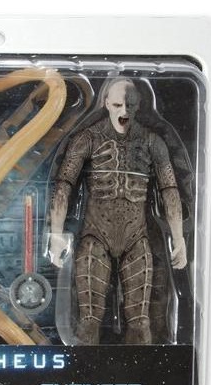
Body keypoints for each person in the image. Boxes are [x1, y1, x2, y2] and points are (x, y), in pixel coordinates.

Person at [49, 78, 187, 344]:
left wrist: (178, 237)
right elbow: (64, 184)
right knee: (88, 321)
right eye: (117, 105)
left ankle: (142, 370)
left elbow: (170, 189)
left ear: (139, 105)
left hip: (137, 238)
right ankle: (84, 367)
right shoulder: (86, 139)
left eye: (130, 105)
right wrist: (56, 234)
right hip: (95, 235)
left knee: (141, 322)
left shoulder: (153, 142)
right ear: (105, 104)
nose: (124, 111)